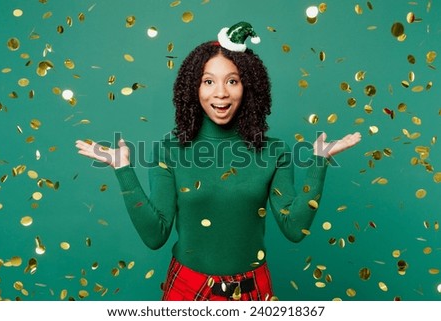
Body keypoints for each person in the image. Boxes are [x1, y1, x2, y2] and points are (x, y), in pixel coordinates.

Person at [75, 21, 361, 301]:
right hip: (188, 288)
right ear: (193, 89)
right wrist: (122, 168)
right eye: (208, 81)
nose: (221, 92)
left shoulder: (275, 151)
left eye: (232, 81)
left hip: (252, 289)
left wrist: (319, 162)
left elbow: (295, 229)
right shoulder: (169, 149)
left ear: (248, 87)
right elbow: (155, 236)